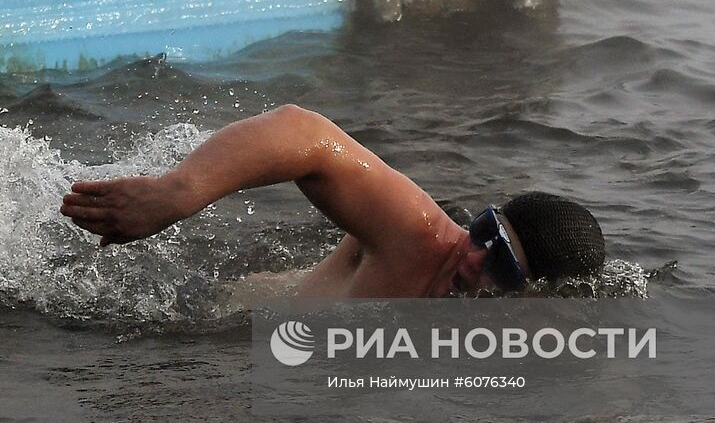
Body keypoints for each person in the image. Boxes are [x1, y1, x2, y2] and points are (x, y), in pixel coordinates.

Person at [59, 105, 605, 297]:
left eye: (503, 267)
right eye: (486, 233)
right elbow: (304, 134)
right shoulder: (416, 236)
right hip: (216, 325)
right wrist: (177, 194)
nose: (473, 256)